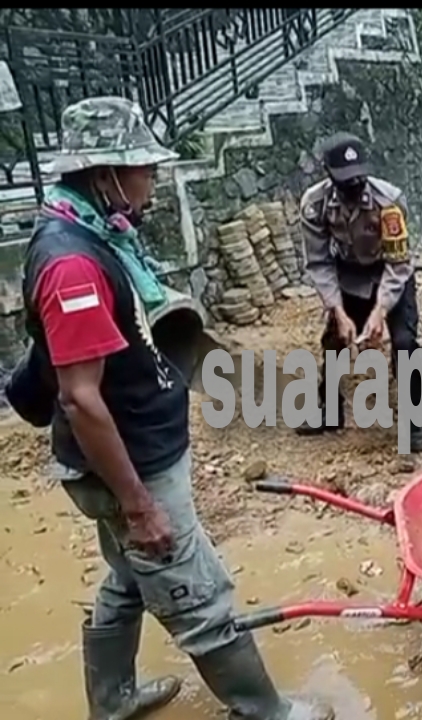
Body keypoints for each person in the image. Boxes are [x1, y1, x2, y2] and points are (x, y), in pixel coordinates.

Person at [19, 97, 331, 720]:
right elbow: (81, 397)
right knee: (197, 594)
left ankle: (112, 702)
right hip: (127, 467)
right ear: (105, 173)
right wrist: (138, 504)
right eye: (145, 169)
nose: (154, 180)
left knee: (129, 580)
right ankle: (266, 711)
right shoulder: (73, 265)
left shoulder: (96, 233)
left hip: (130, 451)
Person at [298, 131, 422, 453]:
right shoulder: (314, 206)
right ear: (329, 176)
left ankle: (416, 424)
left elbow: (399, 263)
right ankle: (329, 412)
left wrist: (380, 310)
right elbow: (318, 262)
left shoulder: (390, 201)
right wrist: (337, 310)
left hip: (389, 271)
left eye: (359, 178)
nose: (354, 186)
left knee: (405, 343)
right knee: (334, 342)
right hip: (348, 275)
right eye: (345, 181)